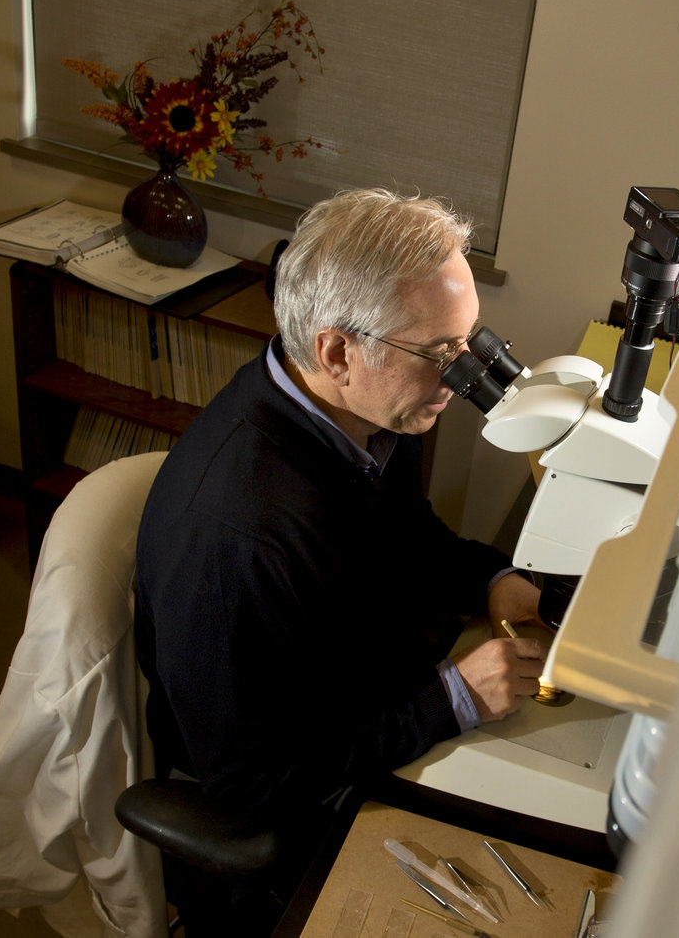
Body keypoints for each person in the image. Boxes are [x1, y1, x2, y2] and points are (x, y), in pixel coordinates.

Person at [134, 187, 546, 876]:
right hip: (299, 775)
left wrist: (493, 579)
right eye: (440, 351)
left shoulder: (375, 412)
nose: (462, 376)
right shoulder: (236, 534)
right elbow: (250, 780)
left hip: (370, 678)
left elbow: (409, 541)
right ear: (336, 352)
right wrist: (453, 700)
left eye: (469, 341)